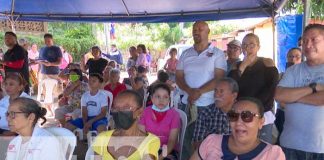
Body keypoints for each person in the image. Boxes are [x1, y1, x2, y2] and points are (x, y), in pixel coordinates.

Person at [175, 21, 226, 159]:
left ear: (208, 32)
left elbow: (219, 78)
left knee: (207, 143)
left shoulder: (217, 54)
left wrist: (198, 91)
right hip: (187, 104)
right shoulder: (186, 53)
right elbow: (178, 77)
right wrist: (189, 91)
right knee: (185, 141)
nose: (196, 31)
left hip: (208, 105)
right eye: (194, 29)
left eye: (200, 29)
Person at [274, 24, 324, 160]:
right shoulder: (293, 71)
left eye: (314, 40)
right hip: (291, 145)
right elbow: (279, 95)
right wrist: (313, 88)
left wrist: (292, 97)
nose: (308, 45)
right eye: (305, 41)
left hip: (321, 148)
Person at [190, 97, 285, 160]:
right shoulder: (212, 141)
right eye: (233, 115)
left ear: (261, 122)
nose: (239, 122)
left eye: (247, 116)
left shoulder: (273, 154)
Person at [228, 33, 279, 143]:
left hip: (262, 112)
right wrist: (243, 65)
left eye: (252, 45)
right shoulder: (237, 65)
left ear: (258, 47)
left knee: (263, 148)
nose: (248, 48)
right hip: (240, 114)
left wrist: (255, 109)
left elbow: (271, 89)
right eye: (245, 45)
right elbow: (231, 85)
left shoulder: (267, 63)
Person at [92, 90, 160, 159]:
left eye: (126, 108)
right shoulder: (102, 138)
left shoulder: (150, 142)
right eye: (116, 108)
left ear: (140, 112)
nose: (120, 112)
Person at [192, 78, 238, 148]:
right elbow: (197, 143)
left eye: (221, 91)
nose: (216, 95)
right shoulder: (206, 113)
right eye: (215, 91)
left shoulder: (243, 114)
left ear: (234, 96)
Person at [139, 83, 181, 159]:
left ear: (169, 99)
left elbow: (172, 141)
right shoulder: (145, 112)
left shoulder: (174, 115)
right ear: (152, 98)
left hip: (167, 150)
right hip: (149, 148)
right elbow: (142, 136)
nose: (161, 100)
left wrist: (160, 158)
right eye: (158, 96)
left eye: (165, 97)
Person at [274, 47, 302, 145]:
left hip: (299, 115)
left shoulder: (305, 76)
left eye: (297, 57)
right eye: (290, 56)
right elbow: (278, 97)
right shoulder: (281, 75)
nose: (293, 59)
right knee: (281, 142)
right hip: (282, 114)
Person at [34, 33, 62, 102]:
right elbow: (40, 61)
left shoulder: (57, 49)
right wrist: (38, 72)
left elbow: (59, 62)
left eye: (48, 41)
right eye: (45, 41)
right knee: (45, 92)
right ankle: (48, 108)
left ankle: (57, 106)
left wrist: (50, 64)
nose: (47, 43)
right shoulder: (42, 49)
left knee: (57, 92)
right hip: (44, 74)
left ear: (52, 40)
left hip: (55, 74)